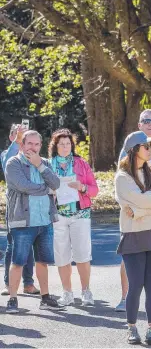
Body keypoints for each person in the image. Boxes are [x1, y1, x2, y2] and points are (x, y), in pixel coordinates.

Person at [115, 131, 151, 345]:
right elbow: (142, 200)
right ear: (134, 150)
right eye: (146, 146)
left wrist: (140, 210)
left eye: (150, 146)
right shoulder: (122, 177)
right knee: (136, 285)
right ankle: (131, 327)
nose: (150, 149)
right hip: (133, 236)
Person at [4, 130, 63, 313]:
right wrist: (46, 190)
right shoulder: (13, 163)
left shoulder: (44, 162)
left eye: (37, 144)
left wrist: (40, 166)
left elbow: (56, 184)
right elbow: (23, 186)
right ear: (21, 145)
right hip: (22, 222)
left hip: (44, 221)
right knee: (18, 261)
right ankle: (13, 299)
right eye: (30, 144)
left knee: (43, 261)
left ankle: (45, 298)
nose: (33, 147)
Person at [115, 109, 151, 312]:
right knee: (130, 258)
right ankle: (125, 297)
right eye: (146, 120)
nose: (150, 123)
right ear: (140, 124)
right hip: (133, 216)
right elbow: (126, 192)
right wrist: (145, 204)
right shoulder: (130, 148)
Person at [48, 129, 99, 306]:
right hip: (57, 216)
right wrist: (50, 192)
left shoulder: (81, 163)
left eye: (68, 143)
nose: (65, 147)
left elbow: (94, 190)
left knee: (83, 254)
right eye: (61, 144)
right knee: (61, 255)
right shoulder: (48, 165)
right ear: (55, 146)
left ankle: (86, 291)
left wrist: (82, 187)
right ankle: (67, 293)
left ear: (72, 145)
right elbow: (40, 189)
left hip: (80, 214)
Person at [1, 124, 40, 296]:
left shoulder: (34, 156)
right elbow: (9, 159)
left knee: (29, 244)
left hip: (33, 207)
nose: (18, 136)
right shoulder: (7, 155)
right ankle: (9, 284)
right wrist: (17, 142)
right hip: (16, 208)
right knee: (13, 245)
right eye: (15, 135)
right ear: (11, 138)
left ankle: (28, 283)